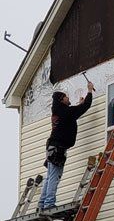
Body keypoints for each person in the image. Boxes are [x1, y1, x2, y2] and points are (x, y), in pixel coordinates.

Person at [38, 81, 94, 211]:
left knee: (50, 175)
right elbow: (85, 107)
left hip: (52, 147)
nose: (68, 98)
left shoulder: (60, 111)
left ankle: (42, 204)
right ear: (61, 100)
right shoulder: (66, 112)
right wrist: (89, 91)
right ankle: (49, 204)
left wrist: (78, 105)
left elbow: (73, 113)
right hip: (58, 149)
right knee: (54, 175)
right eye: (66, 97)